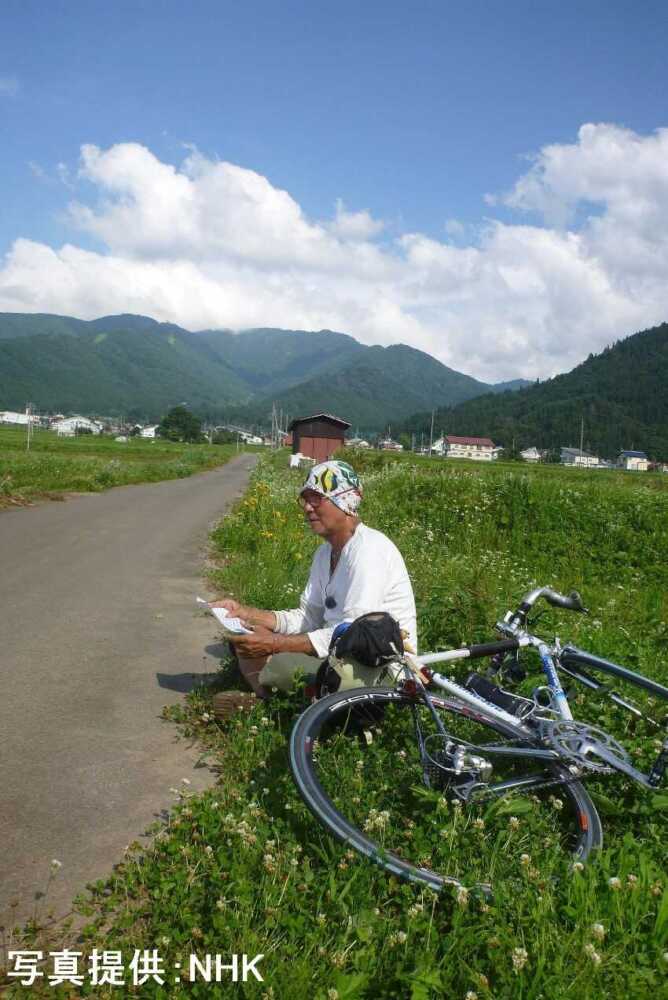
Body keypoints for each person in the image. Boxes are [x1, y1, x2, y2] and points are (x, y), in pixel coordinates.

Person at [211, 459, 417, 719]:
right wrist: (246, 614)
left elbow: (355, 635)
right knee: (248, 639)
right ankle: (273, 702)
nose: (308, 508)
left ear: (345, 501)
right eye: (305, 500)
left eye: (317, 499)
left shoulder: (369, 550)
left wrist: (274, 644)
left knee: (280, 662)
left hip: (377, 667)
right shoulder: (325, 553)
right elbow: (308, 617)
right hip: (338, 655)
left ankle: (278, 709)